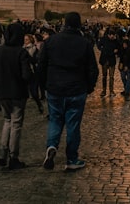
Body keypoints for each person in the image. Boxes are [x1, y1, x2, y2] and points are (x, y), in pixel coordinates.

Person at [38, 11, 98, 171]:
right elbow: (92, 69)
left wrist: (45, 84)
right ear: (79, 25)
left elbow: (41, 65)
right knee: (73, 125)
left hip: (55, 89)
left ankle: (51, 147)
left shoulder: (50, 41)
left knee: (55, 120)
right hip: (76, 90)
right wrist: (89, 87)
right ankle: (71, 158)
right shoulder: (84, 43)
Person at [0, 22, 34, 169]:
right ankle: (13, 157)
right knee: (16, 124)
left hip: (1, 92)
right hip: (17, 92)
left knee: (7, 121)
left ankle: (2, 155)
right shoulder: (21, 52)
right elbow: (26, 75)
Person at [97, 28, 120, 97]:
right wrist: (102, 50)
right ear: (109, 35)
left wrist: (117, 50)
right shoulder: (104, 39)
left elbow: (119, 46)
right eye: (111, 35)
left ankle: (111, 91)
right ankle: (104, 91)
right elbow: (98, 45)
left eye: (113, 35)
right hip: (104, 59)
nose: (112, 37)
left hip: (112, 60)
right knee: (104, 76)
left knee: (111, 76)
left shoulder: (115, 41)